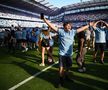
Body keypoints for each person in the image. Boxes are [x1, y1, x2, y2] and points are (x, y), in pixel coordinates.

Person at [40, 13, 94, 87]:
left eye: (70, 25)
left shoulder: (72, 32)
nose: (69, 26)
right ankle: (61, 80)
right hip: (62, 54)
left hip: (69, 54)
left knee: (68, 67)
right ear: (64, 27)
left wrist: (89, 25)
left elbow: (81, 29)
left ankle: (67, 77)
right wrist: (44, 20)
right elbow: (51, 26)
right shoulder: (61, 31)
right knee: (61, 68)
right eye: (67, 25)